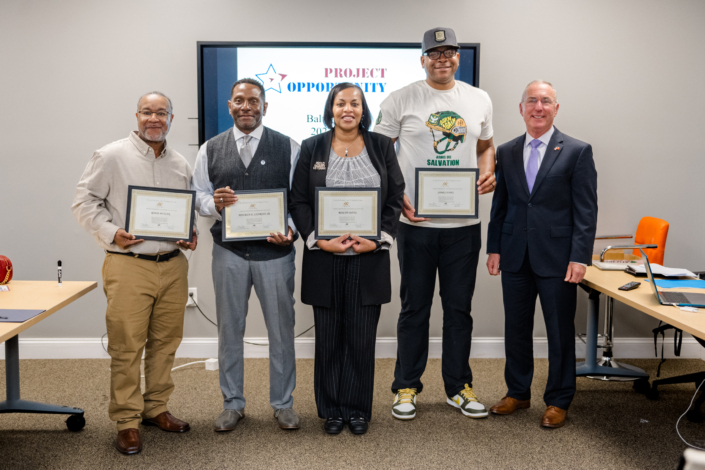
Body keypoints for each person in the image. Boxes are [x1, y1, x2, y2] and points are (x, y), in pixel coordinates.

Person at [374, 27, 496, 420]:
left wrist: (488, 171)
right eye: (435, 53)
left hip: (464, 228)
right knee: (415, 310)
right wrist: (398, 196)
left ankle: (458, 388)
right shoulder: (401, 98)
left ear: (458, 57)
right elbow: (378, 153)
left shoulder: (478, 99)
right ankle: (406, 387)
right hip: (416, 225)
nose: (443, 59)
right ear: (422, 58)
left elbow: (485, 146)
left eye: (450, 53)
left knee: (459, 310)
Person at [72, 92, 197, 455]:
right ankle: (127, 419)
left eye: (162, 113)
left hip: (172, 266)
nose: (154, 118)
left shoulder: (179, 163)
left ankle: (156, 407)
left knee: (165, 343)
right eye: (147, 112)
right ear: (137, 116)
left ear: (172, 118)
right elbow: (84, 204)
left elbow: (184, 213)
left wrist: (190, 235)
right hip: (128, 265)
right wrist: (113, 233)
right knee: (127, 346)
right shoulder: (111, 156)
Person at [289, 83, 404, 435]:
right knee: (328, 339)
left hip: (368, 258)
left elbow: (395, 195)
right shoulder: (312, 147)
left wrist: (380, 240)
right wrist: (319, 241)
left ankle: (356, 409)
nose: (348, 109)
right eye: (341, 103)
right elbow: (298, 200)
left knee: (360, 337)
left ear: (363, 109)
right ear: (331, 108)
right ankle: (331, 410)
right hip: (326, 258)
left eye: (355, 103)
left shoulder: (382, 146)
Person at [191, 78, 301, 432]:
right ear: (229, 106)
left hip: (275, 255)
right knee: (230, 330)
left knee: (281, 332)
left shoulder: (290, 147)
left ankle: (283, 403)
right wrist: (215, 204)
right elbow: (198, 197)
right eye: (239, 100)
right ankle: (232, 403)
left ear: (265, 106)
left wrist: (291, 231)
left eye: (254, 101)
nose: (246, 107)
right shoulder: (210, 148)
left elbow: (298, 201)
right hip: (229, 254)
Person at [486, 80, 598, 428]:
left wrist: (580, 257)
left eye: (545, 101)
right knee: (516, 329)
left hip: (558, 258)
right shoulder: (506, 151)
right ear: (521, 109)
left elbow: (586, 210)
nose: (538, 107)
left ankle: (559, 400)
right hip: (515, 255)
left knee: (560, 332)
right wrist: (494, 247)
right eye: (531, 100)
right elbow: (500, 205)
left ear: (556, 109)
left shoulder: (577, 151)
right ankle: (518, 392)